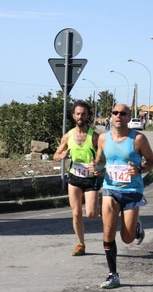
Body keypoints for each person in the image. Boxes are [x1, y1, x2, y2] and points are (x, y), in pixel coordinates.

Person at [90, 104, 153, 289]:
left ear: (129, 118)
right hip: (110, 189)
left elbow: (152, 161)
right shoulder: (103, 138)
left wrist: (141, 169)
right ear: (111, 116)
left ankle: (136, 227)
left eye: (123, 113)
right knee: (108, 230)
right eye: (115, 113)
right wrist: (96, 168)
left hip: (132, 191)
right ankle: (113, 274)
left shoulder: (138, 139)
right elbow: (100, 161)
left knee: (127, 238)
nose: (118, 116)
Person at [53, 100, 101, 256]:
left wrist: (98, 165)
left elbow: (105, 158)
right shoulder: (67, 137)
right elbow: (55, 156)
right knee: (76, 212)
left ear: (88, 116)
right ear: (73, 116)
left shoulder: (94, 137)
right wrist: (61, 156)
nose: (80, 116)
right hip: (74, 177)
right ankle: (81, 244)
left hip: (90, 178)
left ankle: (101, 207)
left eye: (83, 114)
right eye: (78, 113)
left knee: (92, 214)